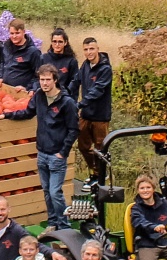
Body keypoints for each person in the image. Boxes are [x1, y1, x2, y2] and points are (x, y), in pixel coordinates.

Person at [6, 64, 80, 224]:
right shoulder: (39, 96)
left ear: (55, 80)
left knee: (55, 192)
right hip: (42, 153)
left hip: (56, 155)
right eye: (41, 80)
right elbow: (27, 112)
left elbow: (74, 130)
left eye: (47, 80)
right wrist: (6, 115)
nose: (44, 83)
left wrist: (63, 152)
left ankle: (64, 226)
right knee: (46, 191)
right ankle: (53, 223)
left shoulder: (67, 103)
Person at [74, 37, 114, 180]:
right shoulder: (85, 65)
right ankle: (95, 171)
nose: (89, 52)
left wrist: (79, 104)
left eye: (92, 49)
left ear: (97, 49)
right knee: (83, 146)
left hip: (100, 116)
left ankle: (100, 176)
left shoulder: (105, 69)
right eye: (86, 49)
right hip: (86, 115)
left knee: (100, 148)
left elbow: (97, 91)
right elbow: (76, 81)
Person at [127, 172, 167, 260]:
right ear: (138, 190)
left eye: (148, 187)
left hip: (164, 244)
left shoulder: (164, 205)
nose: (145, 190)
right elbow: (139, 222)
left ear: (153, 188)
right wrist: (154, 227)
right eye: (142, 188)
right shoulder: (136, 208)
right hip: (146, 245)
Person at [0, 20, 42, 89]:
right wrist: (1, 77)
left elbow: (39, 75)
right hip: (5, 89)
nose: (14, 36)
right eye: (12, 33)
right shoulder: (6, 46)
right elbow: (2, 63)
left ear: (24, 32)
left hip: (21, 93)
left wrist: (28, 88)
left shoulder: (33, 52)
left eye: (17, 33)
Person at [43, 29, 80, 96]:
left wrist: (65, 94)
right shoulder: (43, 58)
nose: (57, 44)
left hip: (64, 97)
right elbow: (37, 78)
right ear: (51, 42)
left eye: (60, 42)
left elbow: (74, 82)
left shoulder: (71, 61)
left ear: (65, 43)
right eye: (54, 41)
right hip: (45, 97)